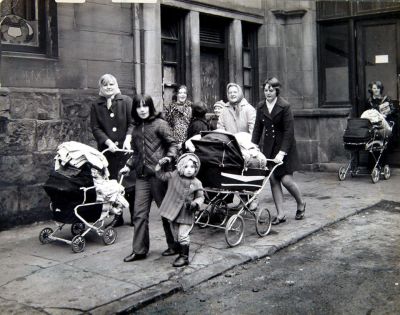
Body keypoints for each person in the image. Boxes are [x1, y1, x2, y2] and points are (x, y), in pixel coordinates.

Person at [119, 94, 179, 262]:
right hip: (142, 177)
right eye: (138, 107)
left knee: (167, 212)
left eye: (145, 106)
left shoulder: (161, 124)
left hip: (160, 175)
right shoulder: (136, 129)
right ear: (135, 110)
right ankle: (139, 250)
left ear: (150, 107)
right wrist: (128, 166)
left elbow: (173, 144)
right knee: (139, 214)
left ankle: (175, 245)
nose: (142, 110)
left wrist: (168, 158)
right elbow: (137, 154)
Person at [251, 77, 306, 225]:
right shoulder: (261, 106)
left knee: (286, 180)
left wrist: (282, 152)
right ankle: (280, 214)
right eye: (266, 90)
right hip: (269, 148)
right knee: (274, 180)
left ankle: (301, 203)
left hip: (285, 147)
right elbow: (257, 128)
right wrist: (253, 146)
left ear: (277, 91)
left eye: (271, 90)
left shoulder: (285, 106)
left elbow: (289, 131)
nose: (268, 93)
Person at [90, 74, 135, 227]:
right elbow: (95, 128)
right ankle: (118, 216)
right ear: (101, 87)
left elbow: (133, 123)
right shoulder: (96, 105)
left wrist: (128, 138)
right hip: (108, 151)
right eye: (105, 85)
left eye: (111, 84)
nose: (108, 87)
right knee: (113, 183)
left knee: (130, 183)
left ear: (116, 85)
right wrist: (107, 142)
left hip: (126, 149)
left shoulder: (126, 101)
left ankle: (135, 216)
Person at [155, 153, 204, 267]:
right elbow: (161, 176)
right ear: (180, 166)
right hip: (173, 213)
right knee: (175, 234)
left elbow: (200, 196)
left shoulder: (196, 182)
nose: (189, 170)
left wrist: (195, 203)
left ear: (196, 168)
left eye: (192, 167)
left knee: (183, 235)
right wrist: (159, 166)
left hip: (186, 213)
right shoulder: (174, 176)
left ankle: (184, 257)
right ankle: (179, 251)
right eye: (186, 166)